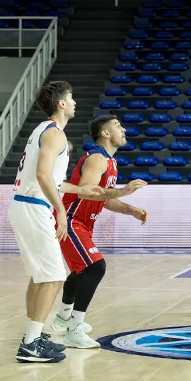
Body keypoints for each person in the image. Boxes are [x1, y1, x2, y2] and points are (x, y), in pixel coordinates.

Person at [8, 80, 103, 363]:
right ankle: (31, 343)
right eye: (71, 98)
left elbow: (52, 180)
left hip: (24, 204)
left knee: (40, 275)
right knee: (54, 276)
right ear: (61, 104)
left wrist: (80, 190)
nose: (74, 102)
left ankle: (32, 334)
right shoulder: (55, 134)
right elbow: (42, 176)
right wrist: (60, 211)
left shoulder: (44, 131)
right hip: (35, 207)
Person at [49, 115, 148, 348]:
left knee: (82, 271)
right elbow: (86, 192)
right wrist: (123, 192)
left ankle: (63, 318)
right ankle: (74, 328)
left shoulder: (111, 162)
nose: (123, 129)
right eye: (117, 126)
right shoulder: (96, 159)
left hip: (83, 224)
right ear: (105, 134)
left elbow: (104, 198)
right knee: (96, 267)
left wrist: (130, 210)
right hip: (71, 220)